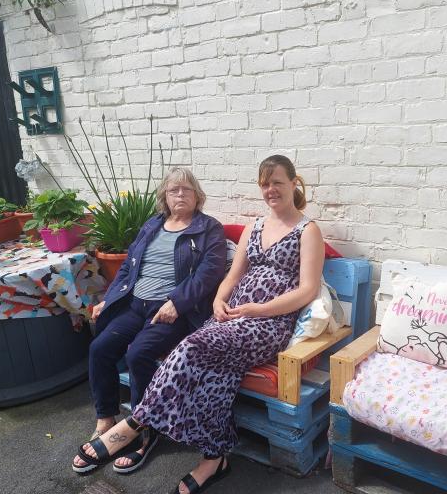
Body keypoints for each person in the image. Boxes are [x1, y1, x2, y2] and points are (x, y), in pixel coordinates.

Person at [72, 155, 325, 493]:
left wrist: (258, 309)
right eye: (264, 183)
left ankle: (137, 422)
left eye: (277, 182)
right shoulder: (255, 228)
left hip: (268, 324)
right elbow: (232, 276)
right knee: (217, 370)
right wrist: (220, 300)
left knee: (190, 346)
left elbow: (307, 290)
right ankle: (215, 458)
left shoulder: (308, 231)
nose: (270, 190)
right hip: (231, 317)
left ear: (294, 183)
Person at [79, 167, 226, 473]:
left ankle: (148, 431)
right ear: (165, 197)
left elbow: (208, 273)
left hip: (171, 309)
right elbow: (128, 267)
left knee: (138, 354)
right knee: (100, 348)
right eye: (174, 190)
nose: (181, 195)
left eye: (187, 189)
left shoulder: (208, 228)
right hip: (135, 305)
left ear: (198, 196)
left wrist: (177, 302)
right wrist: (109, 297)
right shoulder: (152, 225)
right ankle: (107, 419)